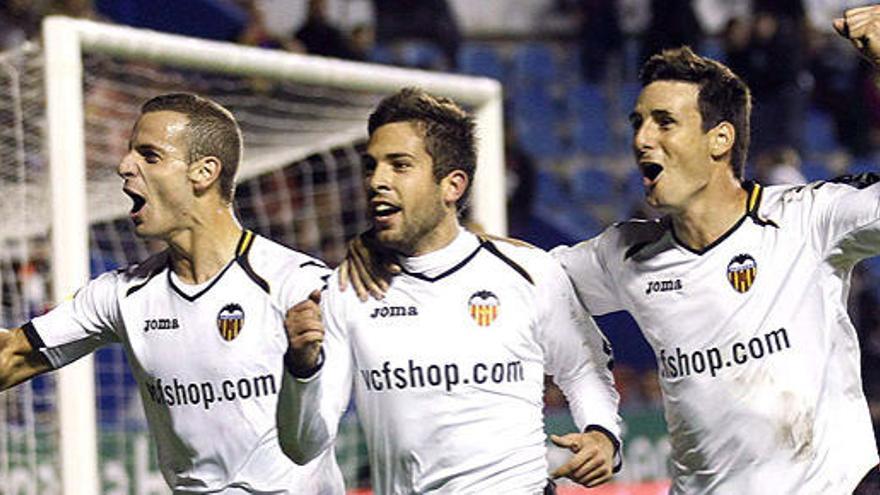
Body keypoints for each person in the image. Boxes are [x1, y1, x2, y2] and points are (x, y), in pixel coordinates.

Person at [340, 6, 880, 494]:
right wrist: (390, 238)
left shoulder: (810, 218)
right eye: (637, 122)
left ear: (720, 140)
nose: (642, 139)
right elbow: (497, 268)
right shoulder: (625, 255)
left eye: (664, 122)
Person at [277, 87, 623, 494]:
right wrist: (300, 369)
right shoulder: (347, 290)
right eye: (371, 166)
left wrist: (603, 435)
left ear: (452, 185)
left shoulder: (526, 272)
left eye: (399, 165)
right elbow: (303, 447)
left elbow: (582, 369)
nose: (376, 180)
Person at [0, 93, 344, 494]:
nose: (124, 166)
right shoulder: (121, 295)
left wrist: (303, 367)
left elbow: (308, 445)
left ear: (203, 172)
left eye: (149, 155)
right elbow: (12, 355)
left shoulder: (297, 285)